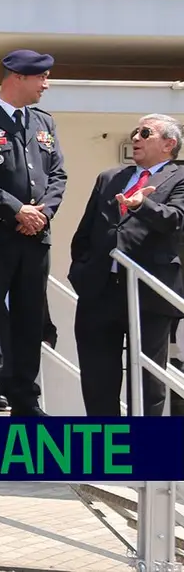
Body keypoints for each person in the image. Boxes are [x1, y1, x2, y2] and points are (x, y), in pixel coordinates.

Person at [70, 114, 184, 417]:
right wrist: (81, 272)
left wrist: (142, 205)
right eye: (135, 132)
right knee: (97, 379)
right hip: (99, 291)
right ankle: (103, 449)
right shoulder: (110, 178)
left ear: (168, 144)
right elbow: (85, 233)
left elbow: (176, 220)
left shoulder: (179, 178)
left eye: (145, 133)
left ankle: (144, 451)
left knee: (148, 381)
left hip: (149, 293)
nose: (136, 138)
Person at [0, 50, 66, 416]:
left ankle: (25, 398)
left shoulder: (44, 123)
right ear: (16, 76)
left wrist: (41, 214)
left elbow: (58, 175)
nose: (45, 85)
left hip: (34, 238)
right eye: (40, 78)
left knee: (30, 318)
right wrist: (17, 210)